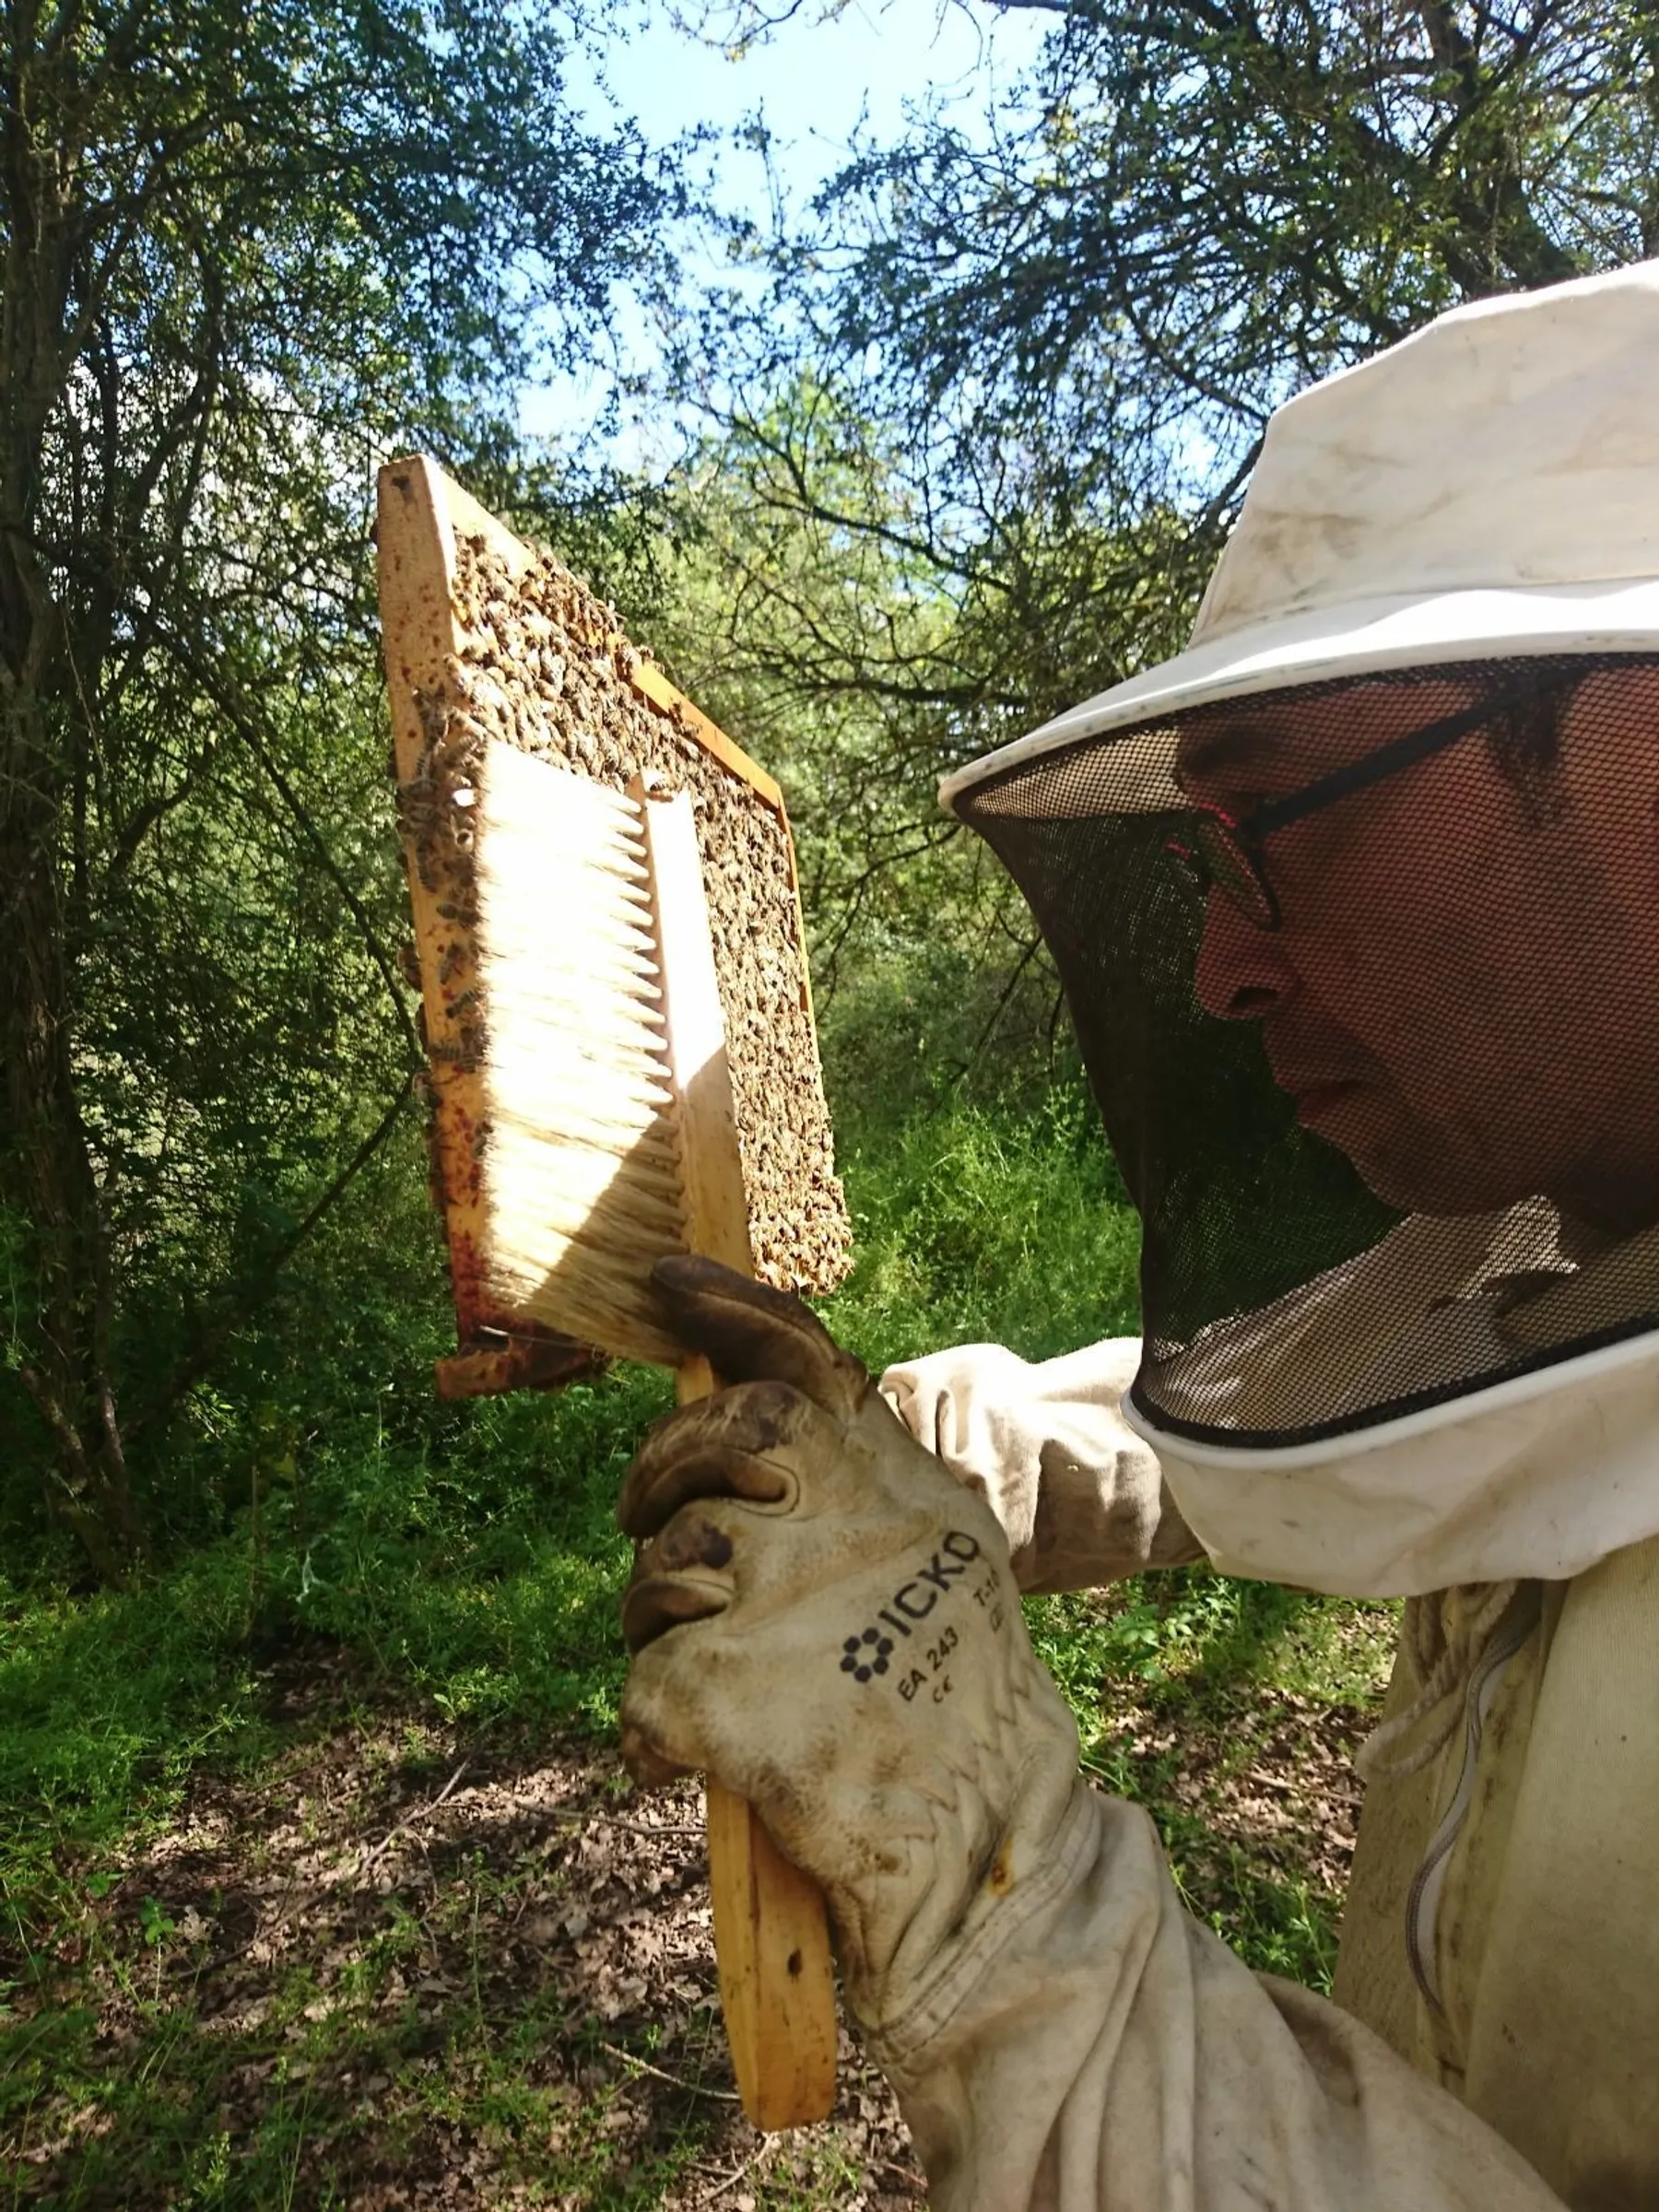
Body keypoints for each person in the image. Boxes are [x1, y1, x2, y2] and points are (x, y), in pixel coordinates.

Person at [616, 259, 1659, 2210]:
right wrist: (962, 1457)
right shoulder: (1583, 1230)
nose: (1216, 972)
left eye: (1284, 830)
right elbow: (1435, 1386)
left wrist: (989, 1866)